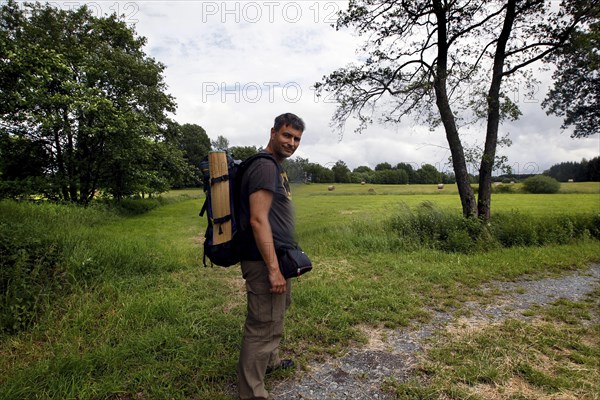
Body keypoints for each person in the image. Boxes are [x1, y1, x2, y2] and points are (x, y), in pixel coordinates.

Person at [237, 113, 305, 400]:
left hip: (277, 255)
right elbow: (257, 220)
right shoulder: (265, 167)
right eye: (287, 135)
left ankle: (271, 362)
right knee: (262, 324)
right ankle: (252, 393)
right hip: (264, 259)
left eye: (297, 139)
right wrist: (274, 269)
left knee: (277, 311)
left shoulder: (274, 166)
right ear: (273, 132)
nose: (291, 143)